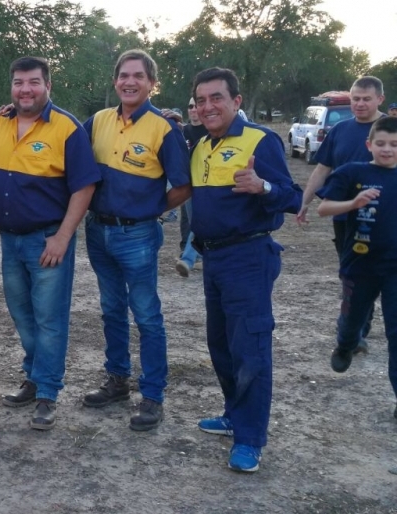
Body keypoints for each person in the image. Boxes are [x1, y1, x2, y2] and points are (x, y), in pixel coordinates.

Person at [190, 67, 301, 472]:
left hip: (248, 258)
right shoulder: (201, 146)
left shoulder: (260, 140)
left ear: (236, 101)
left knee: (250, 347)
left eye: (216, 97)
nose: (208, 106)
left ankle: (250, 439)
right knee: (220, 344)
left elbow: (294, 197)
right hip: (213, 259)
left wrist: (263, 186)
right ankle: (234, 415)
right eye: (201, 100)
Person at [81, 49, 191, 431]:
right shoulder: (97, 121)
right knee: (111, 309)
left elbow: (184, 186)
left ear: (151, 83)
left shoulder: (165, 128)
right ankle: (117, 380)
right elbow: (62, 139)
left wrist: (151, 209)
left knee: (146, 315)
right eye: (124, 75)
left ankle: (153, 395)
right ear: (115, 81)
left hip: (138, 235)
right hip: (97, 231)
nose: (130, 82)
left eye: (138, 76)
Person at [0, 56, 100, 430]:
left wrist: (63, 237)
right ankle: (34, 377)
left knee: (50, 320)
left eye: (33, 82)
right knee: (22, 316)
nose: (26, 90)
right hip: (9, 242)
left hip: (47, 241)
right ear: (12, 87)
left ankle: (47, 394)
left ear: (47, 86)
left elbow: (85, 186)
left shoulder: (67, 128)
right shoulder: (1, 123)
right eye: (19, 83)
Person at [317, 115, 397, 421]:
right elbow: (324, 208)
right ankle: (345, 345)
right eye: (381, 143)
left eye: (394, 144)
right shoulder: (353, 173)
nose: (387, 149)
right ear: (369, 144)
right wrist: (353, 203)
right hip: (360, 266)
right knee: (352, 321)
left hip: (394, 269)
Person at [298, 76, 386, 351]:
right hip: (345, 215)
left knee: (375, 274)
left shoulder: (389, 131)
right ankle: (356, 329)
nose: (359, 104)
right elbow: (322, 169)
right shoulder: (340, 130)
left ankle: (356, 330)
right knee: (352, 275)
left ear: (380, 99)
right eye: (355, 99)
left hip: (384, 217)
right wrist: (305, 201)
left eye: (366, 99)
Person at [176, 96, 210, 277]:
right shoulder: (183, 131)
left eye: (196, 105)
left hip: (208, 184)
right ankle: (196, 254)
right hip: (188, 184)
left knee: (198, 220)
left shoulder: (210, 130)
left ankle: (188, 259)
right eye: (190, 106)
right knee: (191, 221)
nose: (193, 109)